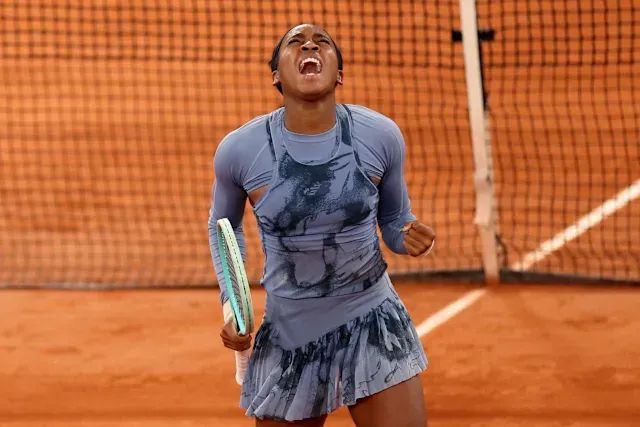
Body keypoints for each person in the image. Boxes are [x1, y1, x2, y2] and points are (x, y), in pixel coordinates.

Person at [208, 23, 435, 427]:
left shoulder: (379, 136)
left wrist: (410, 237)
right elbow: (223, 228)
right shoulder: (241, 150)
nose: (309, 45)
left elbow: (395, 221)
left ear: (339, 74)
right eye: (295, 43)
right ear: (276, 76)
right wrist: (234, 307)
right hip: (290, 335)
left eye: (322, 42)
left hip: (372, 322)